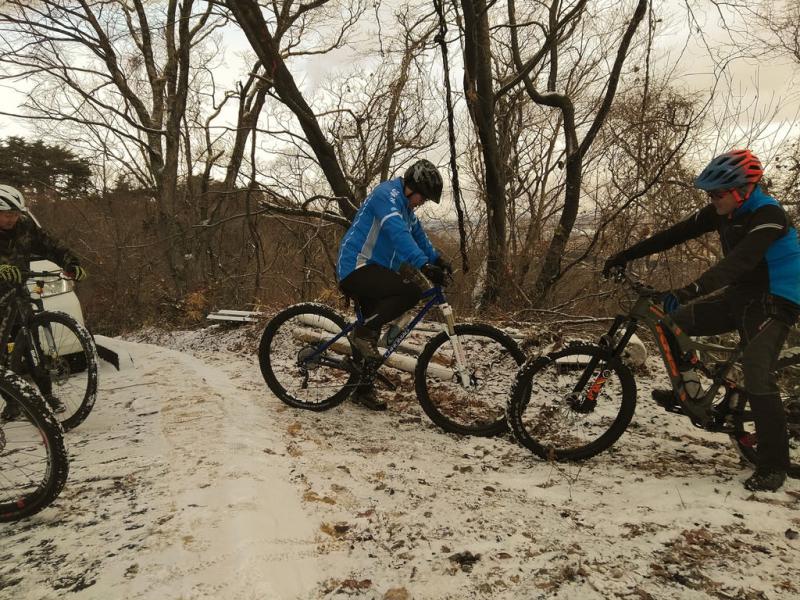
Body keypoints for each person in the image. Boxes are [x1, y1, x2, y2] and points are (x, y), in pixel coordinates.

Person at [603, 149, 800, 492]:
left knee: (757, 371)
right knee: (670, 323)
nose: (712, 199)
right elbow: (673, 235)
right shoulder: (724, 211)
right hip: (742, 295)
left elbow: (740, 261)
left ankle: (773, 466)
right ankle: (690, 391)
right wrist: (625, 255)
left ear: (743, 190)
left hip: (777, 298)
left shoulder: (769, 214)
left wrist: (691, 289)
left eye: (718, 193)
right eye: (710, 194)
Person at [337, 159, 452, 411]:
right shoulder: (386, 195)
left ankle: (361, 389)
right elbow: (398, 233)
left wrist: (437, 260)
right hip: (356, 266)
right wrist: (423, 265)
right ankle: (362, 334)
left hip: (375, 270)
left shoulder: (407, 210)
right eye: (423, 197)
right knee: (410, 292)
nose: (422, 202)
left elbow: (418, 237)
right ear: (412, 187)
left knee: (371, 325)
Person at [0, 184, 87, 421]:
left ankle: (48, 396)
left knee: (32, 345)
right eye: (7, 215)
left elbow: (50, 245)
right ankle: (12, 402)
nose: (12, 219)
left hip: (18, 292)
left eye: (16, 214)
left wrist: (71, 264)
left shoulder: (24, 226)